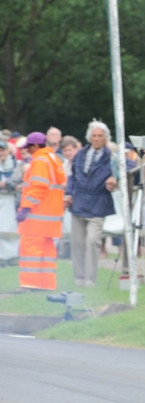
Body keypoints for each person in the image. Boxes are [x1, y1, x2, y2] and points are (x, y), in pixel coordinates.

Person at [65, 120, 121, 287]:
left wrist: (115, 179)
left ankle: (90, 279)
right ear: (89, 137)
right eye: (94, 135)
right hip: (79, 203)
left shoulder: (112, 157)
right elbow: (73, 177)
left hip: (98, 204)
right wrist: (68, 193)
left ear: (106, 138)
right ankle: (79, 278)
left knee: (92, 241)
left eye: (100, 136)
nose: (97, 139)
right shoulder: (80, 154)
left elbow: (126, 170)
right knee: (77, 243)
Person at [16, 132, 67, 290]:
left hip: (36, 216)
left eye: (29, 147)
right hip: (50, 217)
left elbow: (39, 187)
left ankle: (30, 284)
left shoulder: (39, 161)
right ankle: (47, 284)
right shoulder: (54, 159)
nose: (27, 150)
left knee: (30, 249)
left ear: (37, 146)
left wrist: (25, 207)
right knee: (47, 251)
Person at [0, 139, 21, 265]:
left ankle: (13, 256)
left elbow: (18, 180)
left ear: (8, 151)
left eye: (3, 150)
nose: (1, 153)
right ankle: (2, 257)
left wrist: (6, 184)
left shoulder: (16, 164)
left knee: (10, 228)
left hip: (11, 200)